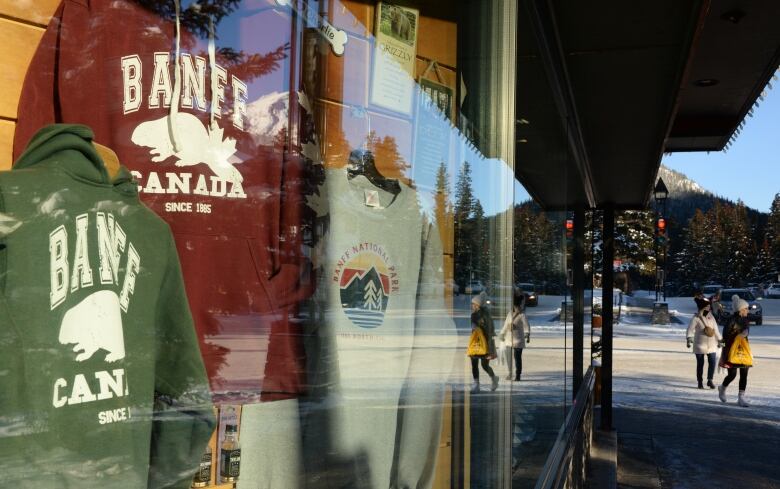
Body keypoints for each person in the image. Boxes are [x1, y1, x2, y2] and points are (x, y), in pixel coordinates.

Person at [718, 295, 752, 407]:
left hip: (743, 349)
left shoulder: (746, 320)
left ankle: (741, 398)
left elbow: (746, 333)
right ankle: (722, 388)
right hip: (731, 350)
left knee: (744, 373)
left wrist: (745, 333)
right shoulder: (731, 320)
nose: (748, 310)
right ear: (740, 309)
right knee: (732, 375)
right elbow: (724, 336)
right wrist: (722, 353)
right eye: (746, 308)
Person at [685, 296, 722, 389]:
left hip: (712, 344)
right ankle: (700, 382)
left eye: (709, 306)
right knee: (700, 364)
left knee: (712, 362)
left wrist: (720, 340)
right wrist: (689, 338)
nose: (709, 307)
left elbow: (716, 330)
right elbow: (690, 329)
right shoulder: (696, 317)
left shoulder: (711, 316)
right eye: (707, 306)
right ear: (703, 307)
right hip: (700, 345)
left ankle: (710, 380)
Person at [469, 294, 499, 392]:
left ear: (477, 305)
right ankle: (491, 379)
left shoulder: (477, 315)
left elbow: (475, 328)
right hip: (483, 342)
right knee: (482, 365)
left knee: (477, 363)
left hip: (481, 342)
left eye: (473, 304)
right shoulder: (486, 314)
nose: (472, 305)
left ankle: (478, 383)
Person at [499, 292, 531, 381]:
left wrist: (527, 333)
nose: (516, 308)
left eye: (516, 306)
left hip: (518, 340)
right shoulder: (509, 314)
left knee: (517, 359)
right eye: (514, 306)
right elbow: (505, 325)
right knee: (508, 358)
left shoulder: (522, 315)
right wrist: (502, 333)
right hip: (509, 339)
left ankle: (518, 374)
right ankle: (510, 373)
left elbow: (526, 325)